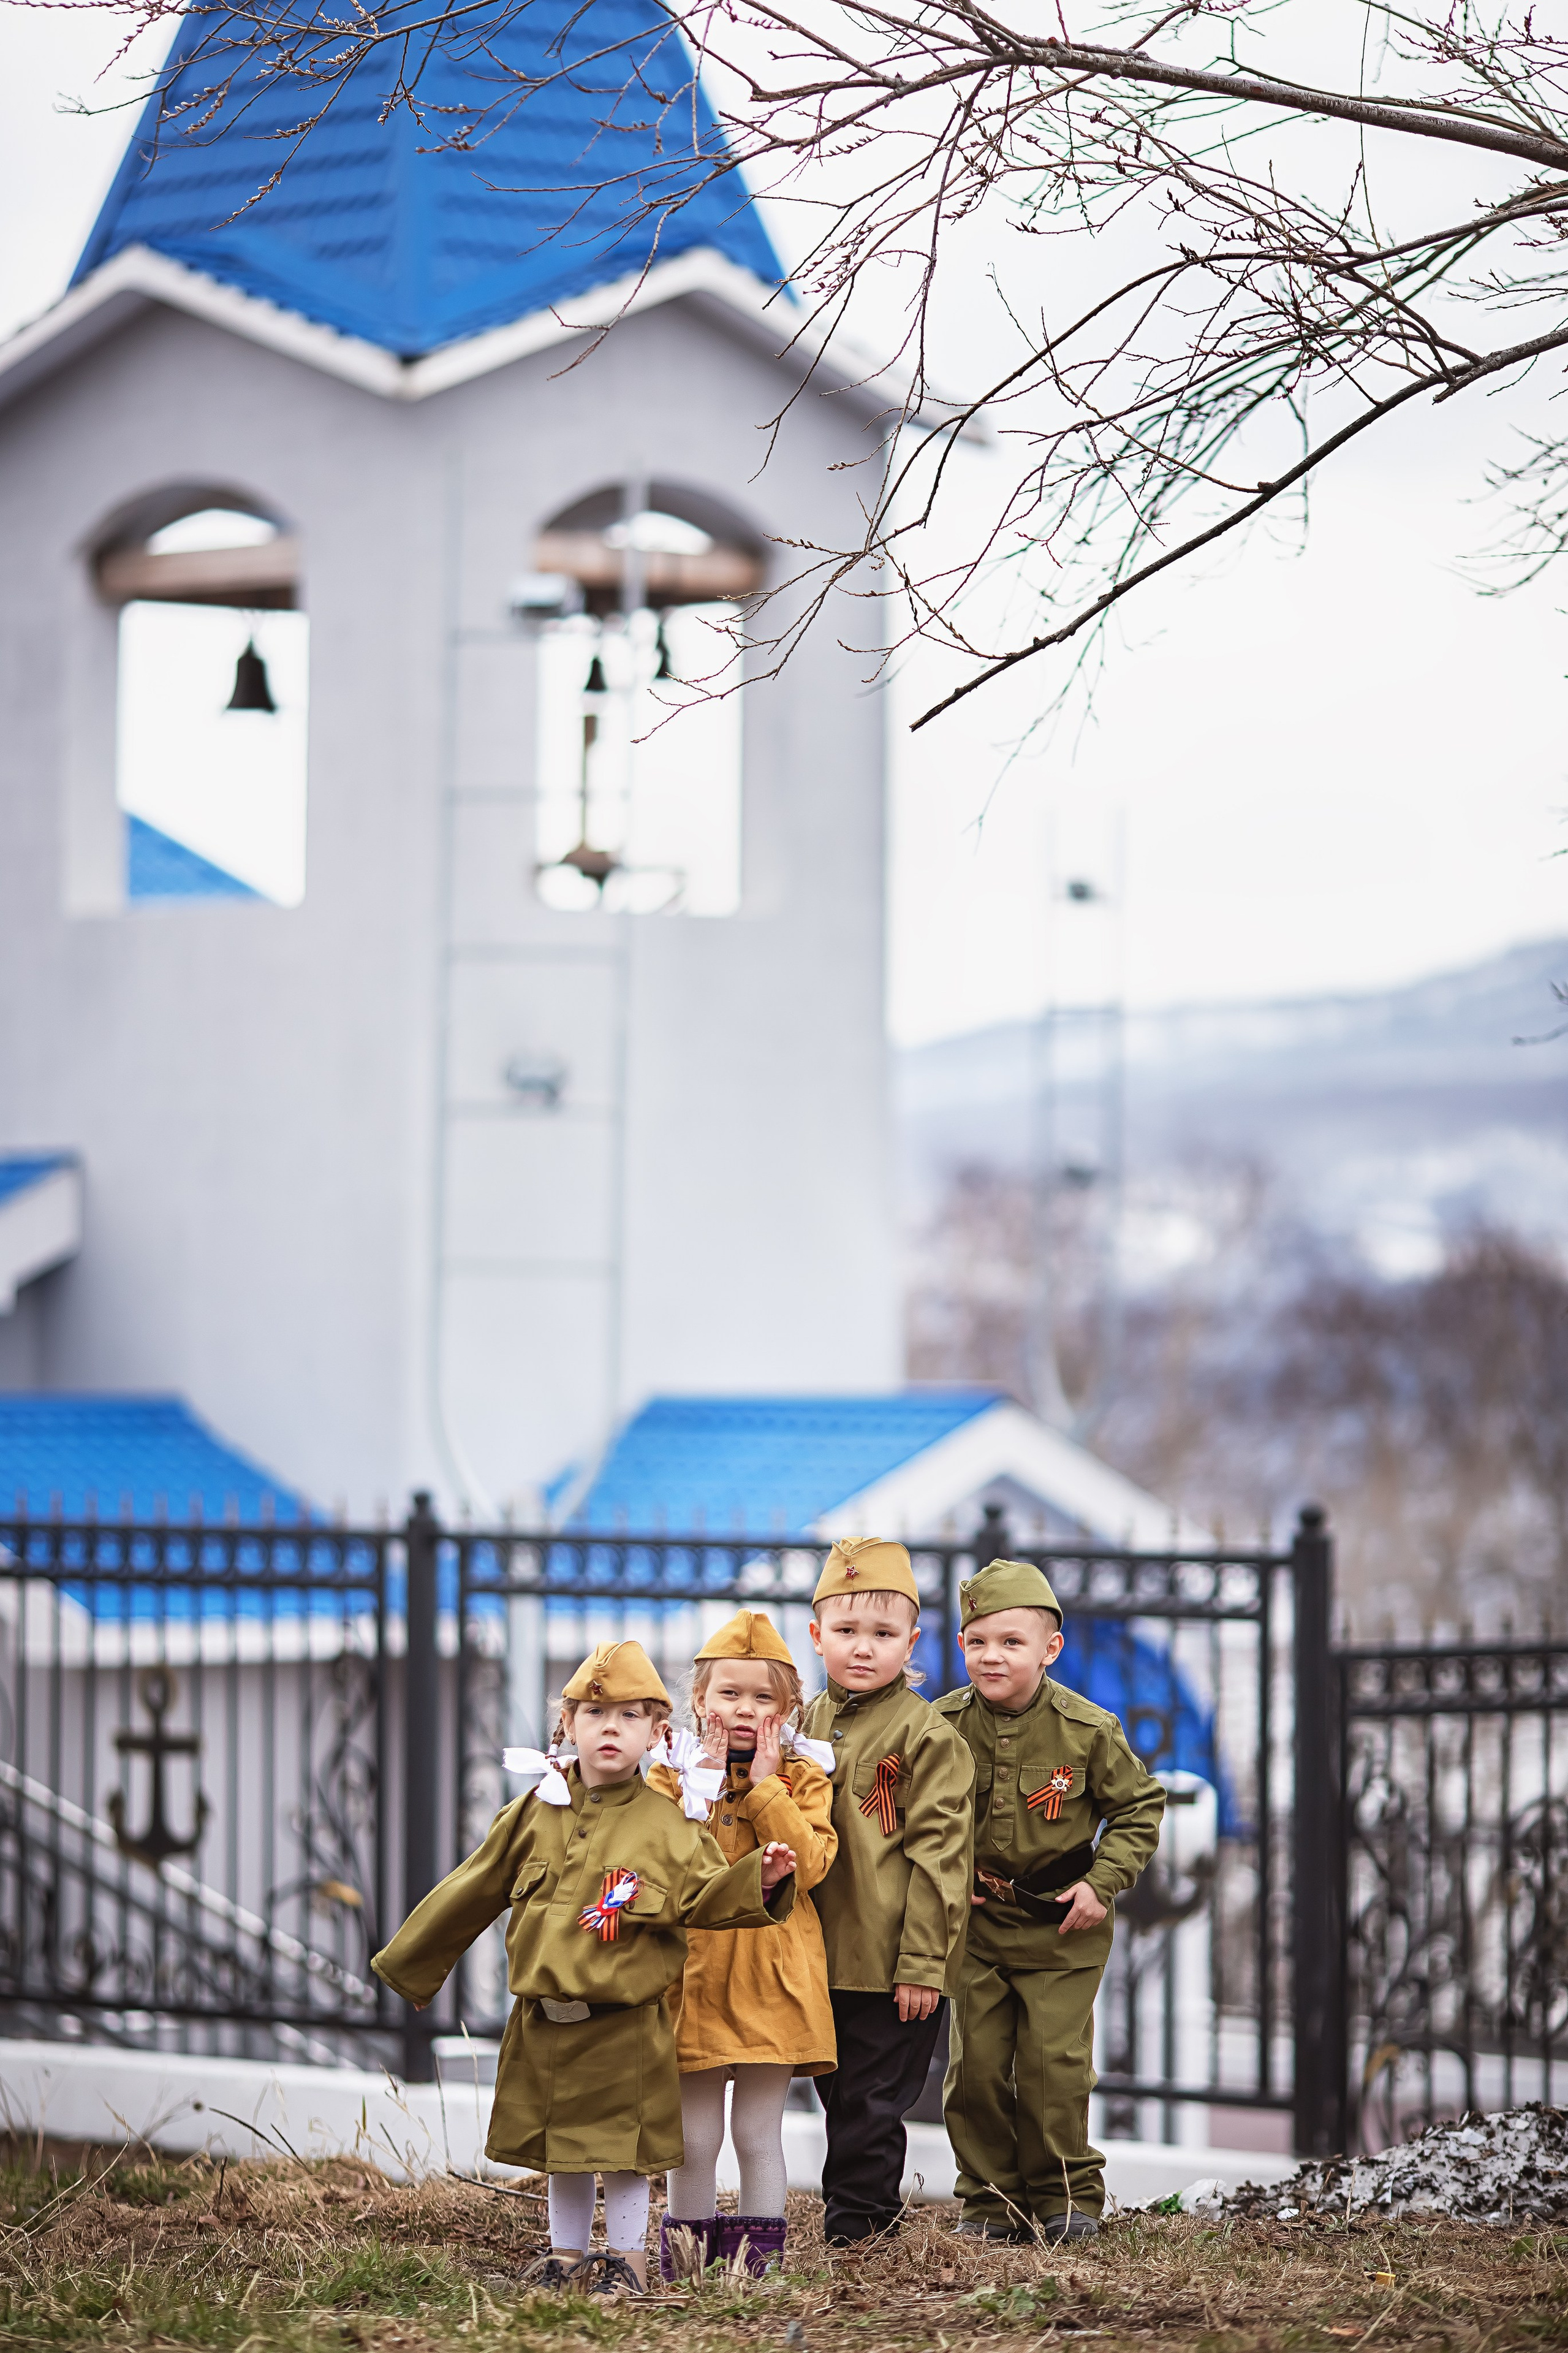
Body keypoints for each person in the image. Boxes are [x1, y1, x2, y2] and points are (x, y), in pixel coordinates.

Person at [371, 1639, 797, 2294]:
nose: (610, 1728)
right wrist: (415, 1969)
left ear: (658, 1733)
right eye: (595, 1714)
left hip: (625, 2028)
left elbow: (710, 1895)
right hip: (545, 2026)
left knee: (624, 2157)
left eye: (630, 1716)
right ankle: (565, 2255)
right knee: (562, 2153)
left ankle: (622, 2262)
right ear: (566, 1723)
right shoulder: (536, 1809)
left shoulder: (670, 1823)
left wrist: (760, 1880)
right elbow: (474, 1885)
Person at [934, 1557, 1167, 2244]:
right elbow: (917, 1815)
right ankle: (989, 2201)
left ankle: (1068, 2197)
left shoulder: (1087, 1729)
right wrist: (952, 1877)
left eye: (1011, 1641)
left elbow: (1139, 1808)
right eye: (977, 1641)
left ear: (1050, 1649)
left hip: (1063, 1926)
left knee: (1050, 2068)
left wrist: (1102, 1883)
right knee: (974, 2068)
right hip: (975, 1926)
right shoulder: (941, 1723)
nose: (991, 1655)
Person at [649, 1608, 838, 2280]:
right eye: (730, 1692)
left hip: (772, 1979)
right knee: (694, 2137)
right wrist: (696, 1787)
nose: (744, 1708)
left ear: (788, 1710)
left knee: (758, 2132)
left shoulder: (804, 1776)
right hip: (694, 1977)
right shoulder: (669, 1777)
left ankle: (758, 2272)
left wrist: (762, 1787)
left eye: (764, 1697)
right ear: (700, 1698)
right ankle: (687, 2266)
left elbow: (811, 1864)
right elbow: (660, 1862)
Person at [796, 1538, 974, 2244]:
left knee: (871, 2103)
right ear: (816, 1635)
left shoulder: (926, 1736)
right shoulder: (806, 1721)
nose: (862, 1648)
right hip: (817, 1956)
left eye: (882, 1633)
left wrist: (924, 1963)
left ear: (912, 1640)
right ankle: (866, 2218)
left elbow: (941, 1858)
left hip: (891, 1962)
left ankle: (859, 2234)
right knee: (840, 2098)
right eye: (845, 1631)